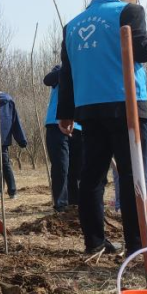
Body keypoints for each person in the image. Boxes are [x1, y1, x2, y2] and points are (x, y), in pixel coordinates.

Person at [57, 0, 147, 256]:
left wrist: (65, 112)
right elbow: (143, 51)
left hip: (88, 108)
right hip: (127, 103)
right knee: (133, 174)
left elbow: (67, 72)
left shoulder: (72, 24)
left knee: (92, 177)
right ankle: (137, 244)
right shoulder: (129, 11)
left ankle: (94, 243)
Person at [43, 64, 81, 211]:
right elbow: (47, 80)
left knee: (77, 167)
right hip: (56, 123)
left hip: (80, 125)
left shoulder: (86, 71)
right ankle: (61, 205)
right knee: (61, 166)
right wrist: (69, 68)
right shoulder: (59, 71)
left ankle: (75, 203)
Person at [0, 91, 28, 197]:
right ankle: (11, 191)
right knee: (4, 164)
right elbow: (15, 121)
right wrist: (21, 139)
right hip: (4, 137)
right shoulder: (9, 101)